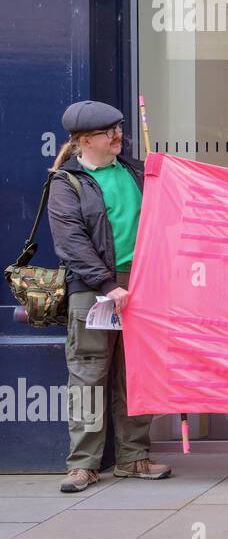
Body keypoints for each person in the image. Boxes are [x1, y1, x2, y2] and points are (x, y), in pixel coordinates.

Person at [47, 101, 171, 493]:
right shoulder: (67, 183)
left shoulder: (137, 171)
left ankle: (134, 458)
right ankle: (83, 464)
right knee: (88, 375)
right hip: (94, 290)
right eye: (108, 132)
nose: (118, 136)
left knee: (137, 374)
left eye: (118, 128)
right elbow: (72, 244)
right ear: (85, 140)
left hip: (143, 283)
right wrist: (107, 285)